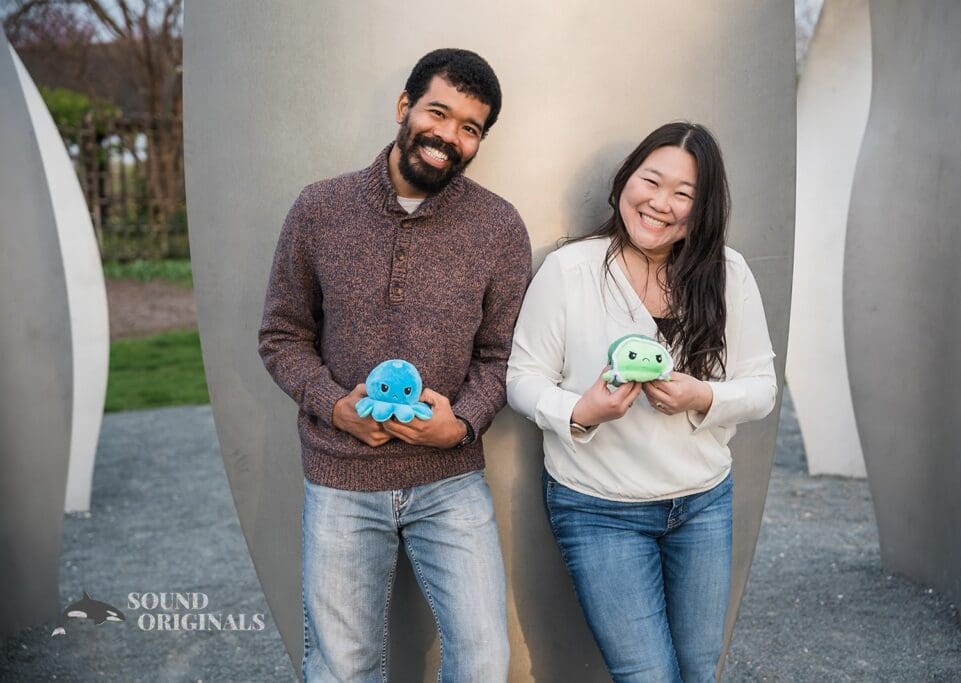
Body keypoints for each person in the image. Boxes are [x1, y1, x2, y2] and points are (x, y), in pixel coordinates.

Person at [258, 48, 532, 682]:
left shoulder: (498, 226)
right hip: (341, 476)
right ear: (404, 107)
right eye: (439, 112)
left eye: (471, 127)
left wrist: (460, 424)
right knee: (342, 666)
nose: (450, 136)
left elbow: (500, 356)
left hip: (451, 480)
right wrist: (335, 407)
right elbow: (281, 334)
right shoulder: (318, 209)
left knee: (485, 660)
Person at [506, 122, 776, 682]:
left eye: (683, 194)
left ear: (702, 210)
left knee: (701, 670)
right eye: (650, 181)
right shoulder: (570, 270)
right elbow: (522, 377)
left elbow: (762, 387)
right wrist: (581, 412)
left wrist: (702, 395)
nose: (660, 203)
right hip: (598, 508)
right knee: (648, 675)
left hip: (702, 502)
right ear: (625, 180)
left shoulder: (727, 273)